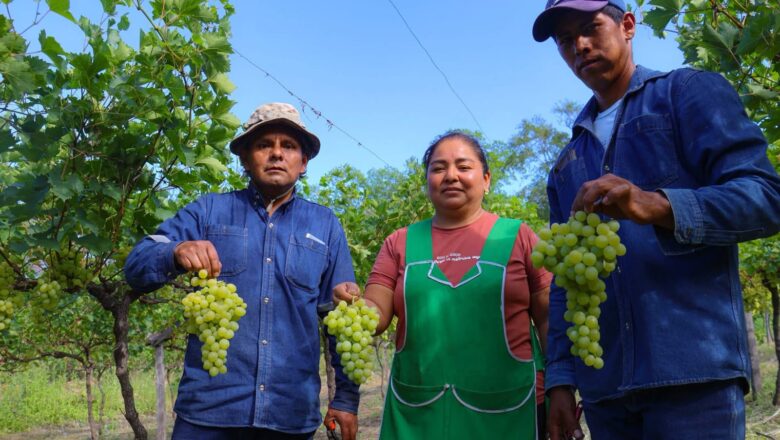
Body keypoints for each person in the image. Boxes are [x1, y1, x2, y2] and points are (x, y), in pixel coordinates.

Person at [532, 1, 780, 439]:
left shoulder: (687, 93)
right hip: (605, 392)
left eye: (591, 27)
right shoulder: (566, 165)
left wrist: (658, 206)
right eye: (566, 40)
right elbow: (565, 286)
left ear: (628, 25)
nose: (581, 46)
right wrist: (561, 380)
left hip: (694, 376)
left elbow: (765, 198)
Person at [124, 103, 360, 440]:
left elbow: (343, 321)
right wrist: (174, 251)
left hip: (290, 417)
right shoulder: (208, 212)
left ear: (303, 162)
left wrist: (347, 400)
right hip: (207, 415)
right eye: (264, 145)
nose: (277, 154)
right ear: (245, 159)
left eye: (289, 146)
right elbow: (136, 265)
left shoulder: (325, 226)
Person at [334, 131, 552, 439]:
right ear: (427, 182)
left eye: (463, 167)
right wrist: (353, 304)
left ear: (487, 179)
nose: (451, 176)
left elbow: (547, 318)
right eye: (438, 169)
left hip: (508, 407)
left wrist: (561, 387)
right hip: (421, 409)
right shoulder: (400, 242)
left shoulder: (518, 236)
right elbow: (376, 313)